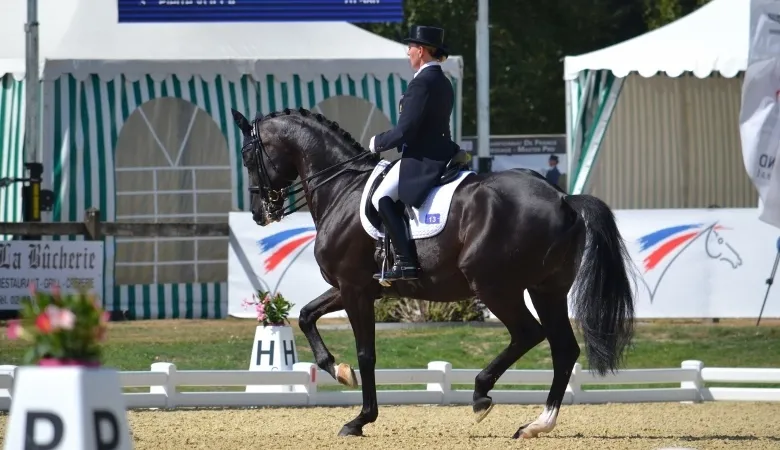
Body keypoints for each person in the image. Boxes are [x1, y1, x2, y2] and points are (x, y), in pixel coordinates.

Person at [368, 25, 458, 282]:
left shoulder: (421, 83)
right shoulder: (443, 81)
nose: (408, 52)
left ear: (421, 50)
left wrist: (377, 143)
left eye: (410, 48)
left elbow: (405, 130)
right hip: (443, 150)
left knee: (381, 197)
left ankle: (405, 262)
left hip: (424, 157)